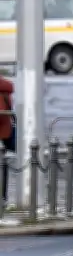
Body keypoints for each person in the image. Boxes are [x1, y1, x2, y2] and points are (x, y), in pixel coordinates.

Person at [0, 75, 13, 203]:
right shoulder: (5, 88)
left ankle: (2, 197)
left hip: (2, 133)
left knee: (2, 165)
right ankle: (3, 196)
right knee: (3, 164)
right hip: (5, 132)